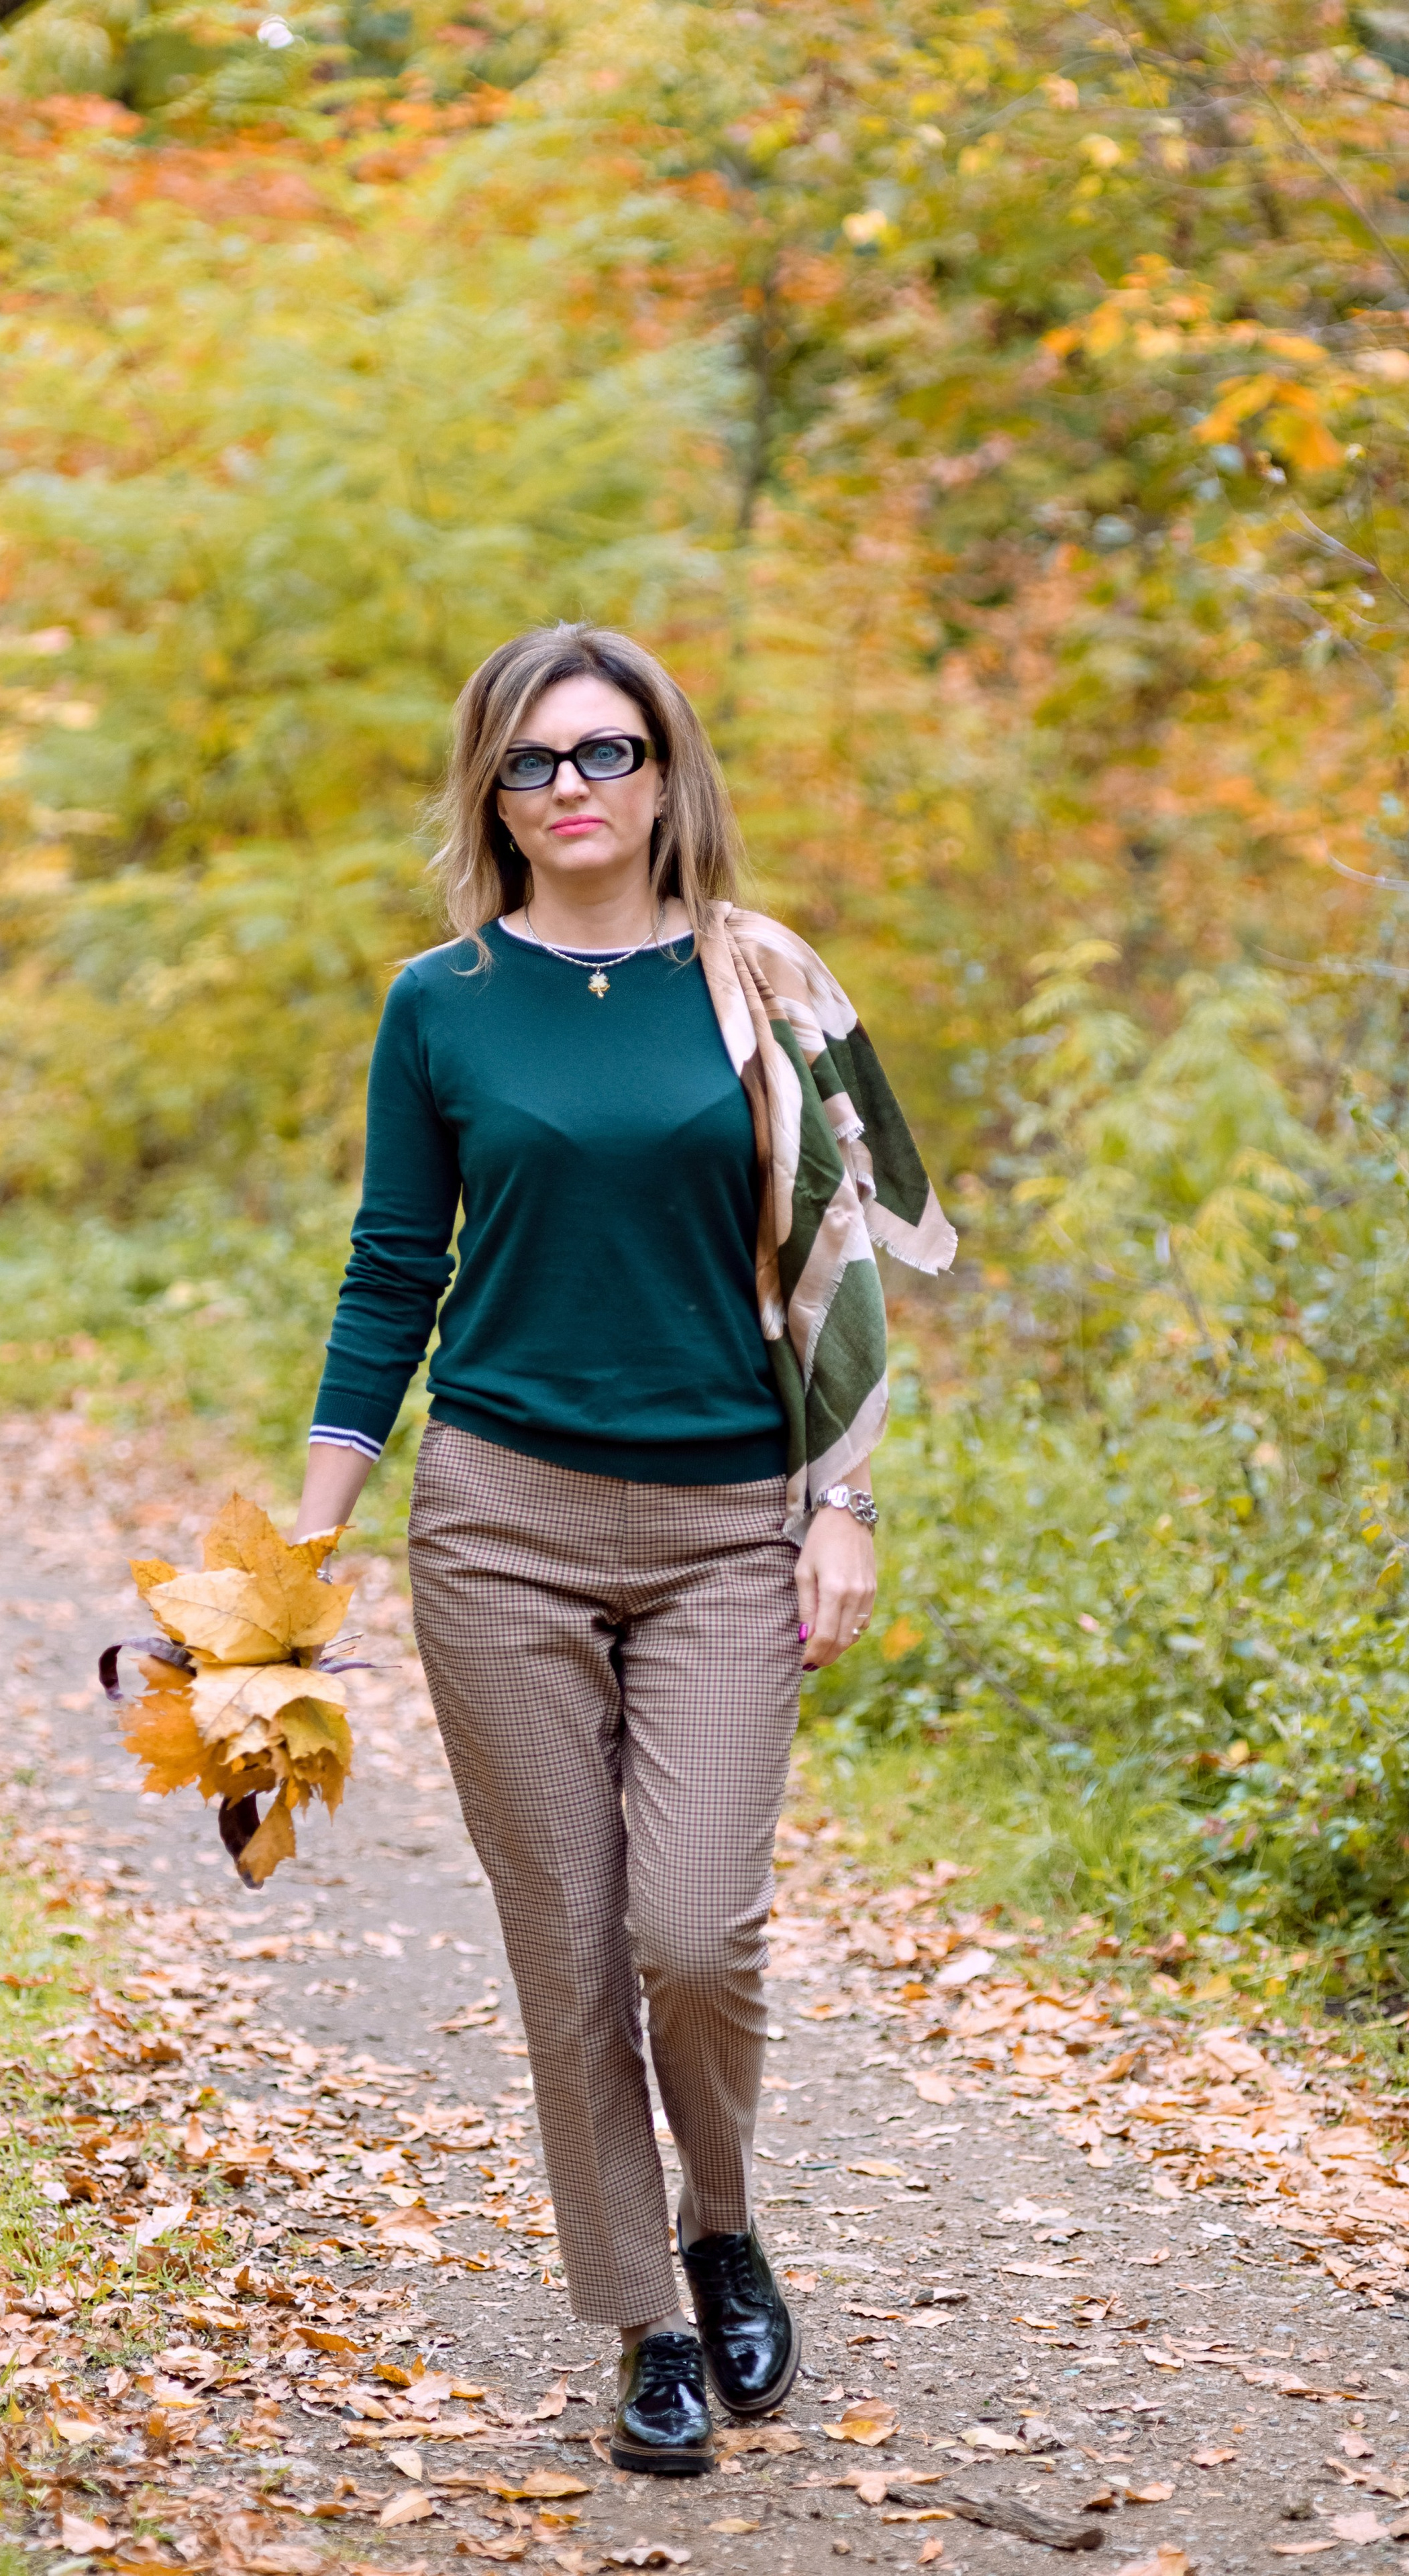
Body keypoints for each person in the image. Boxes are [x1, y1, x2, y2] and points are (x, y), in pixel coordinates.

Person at [293, 624, 954, 2475]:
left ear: (668, 768)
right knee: (568, 1946)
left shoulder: (765, 986)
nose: (572, 791)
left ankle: (723, 2216)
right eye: (532, 763)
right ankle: (648, 2321)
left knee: (693, 1931)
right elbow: (391, 1272)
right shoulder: (442, 1004)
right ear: (490, 793)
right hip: (497, 1519)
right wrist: (310, 1536)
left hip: (732, 1518)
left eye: (606, 752)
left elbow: (835, 1266)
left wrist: (845, 1503)